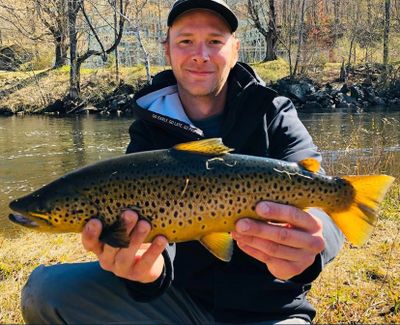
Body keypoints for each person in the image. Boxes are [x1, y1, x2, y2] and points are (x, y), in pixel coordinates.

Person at [21, 0, 344, 324]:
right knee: (46, 292)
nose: (200, 55)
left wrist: (311, 249)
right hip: (178, 301)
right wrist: (150, 272)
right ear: (168, 50)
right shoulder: (149, 129)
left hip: (271, 311)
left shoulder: (272, 112)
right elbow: (151, 236)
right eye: (186, 41)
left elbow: (323, 199)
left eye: (215, 41)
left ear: (235, 49)